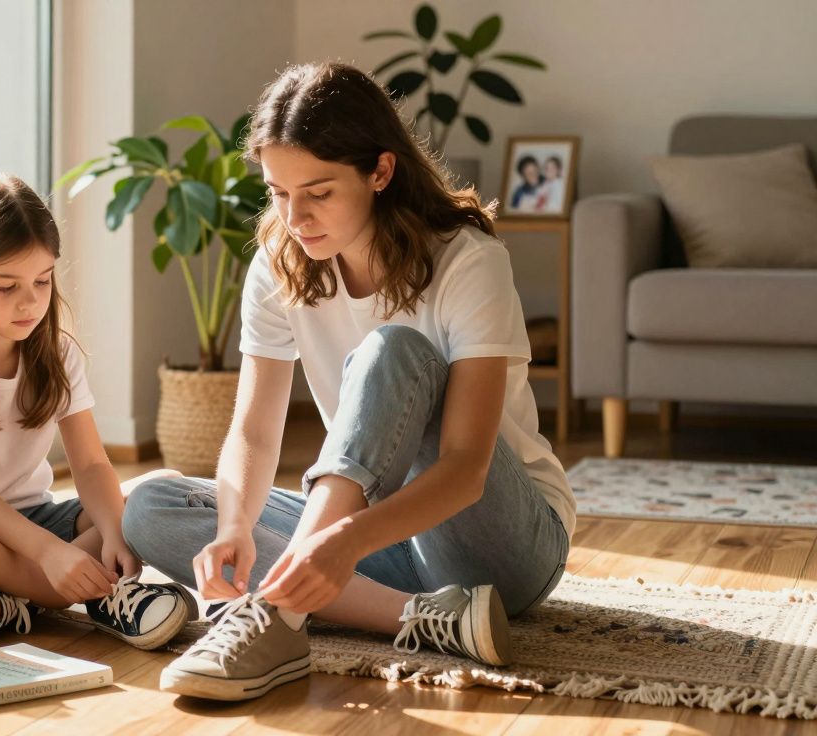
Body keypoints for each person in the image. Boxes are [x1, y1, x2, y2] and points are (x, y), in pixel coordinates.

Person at [121, 62, 574, 701]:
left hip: (500, 544)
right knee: (147, 504)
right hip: (383, 545)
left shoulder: (467, 261)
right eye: (278, 192)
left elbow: (467, 469)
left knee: (393, 349)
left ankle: (277, 617)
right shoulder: (279, 265)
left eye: (319, 192)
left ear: (380, 172)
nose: (295, 216)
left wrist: (339, 542)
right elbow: (253, 430)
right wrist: (234, 526)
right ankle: (420, 618)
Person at [0, 174, 194, 649]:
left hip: (37, 517)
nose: (30, 301)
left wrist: (114, 537)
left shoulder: (58, 353)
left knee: (160, 489)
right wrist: (51, 556)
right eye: (6, 286)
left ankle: (14, 601)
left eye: (42, 281)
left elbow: (88, 463)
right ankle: (88, 593)